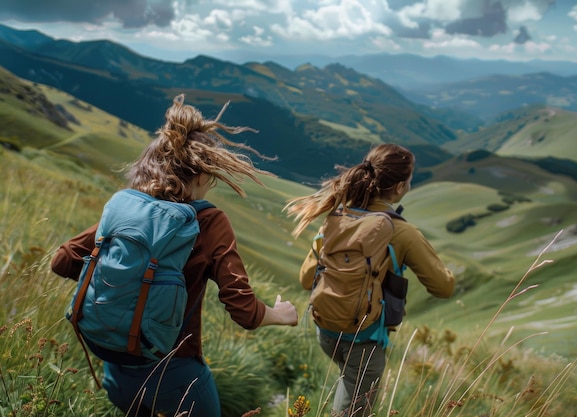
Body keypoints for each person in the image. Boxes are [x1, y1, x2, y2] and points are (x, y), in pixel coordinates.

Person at [51, 94, 298, 417]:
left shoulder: (128, 209)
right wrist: (279, 314)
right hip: (174, 373)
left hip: (114, 364)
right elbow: (243, 311)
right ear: (199, 175)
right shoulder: (209, 222)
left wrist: (123, 282)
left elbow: (62, 260)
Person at [285, 143, 455, 417]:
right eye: (409, 181)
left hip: (325, 331)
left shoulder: (337, 218)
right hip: (364, 339)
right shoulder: (400, 231)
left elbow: (306, 279)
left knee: (346, 384)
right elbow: (443, 288)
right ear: (399, 188)